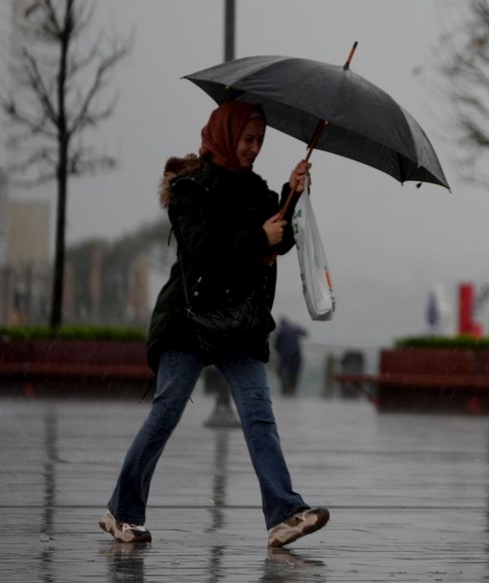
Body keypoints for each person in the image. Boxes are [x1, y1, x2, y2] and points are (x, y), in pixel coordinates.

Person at [100, 100, 330, 548]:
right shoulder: (190, 190)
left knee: (259, 415)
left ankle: (283, 513)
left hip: (237, 321)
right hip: (188, 317)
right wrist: (256, 237)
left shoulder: (256, 190)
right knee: (166, 413)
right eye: (247, 139)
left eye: (260, 141)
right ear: (225, 135)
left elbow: (279, 235)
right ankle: (122, 512)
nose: (254, 148)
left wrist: (294, 191)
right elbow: (204, 248)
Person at [273, 316, 308, 396]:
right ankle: (293, 389)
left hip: (285, 354)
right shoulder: (294, 327)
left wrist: (278, 352)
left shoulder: (280, 330)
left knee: (282, 371)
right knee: (295, 371)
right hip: (296, 353)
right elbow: (304, 333)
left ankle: (284, 389)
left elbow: (276, 344)